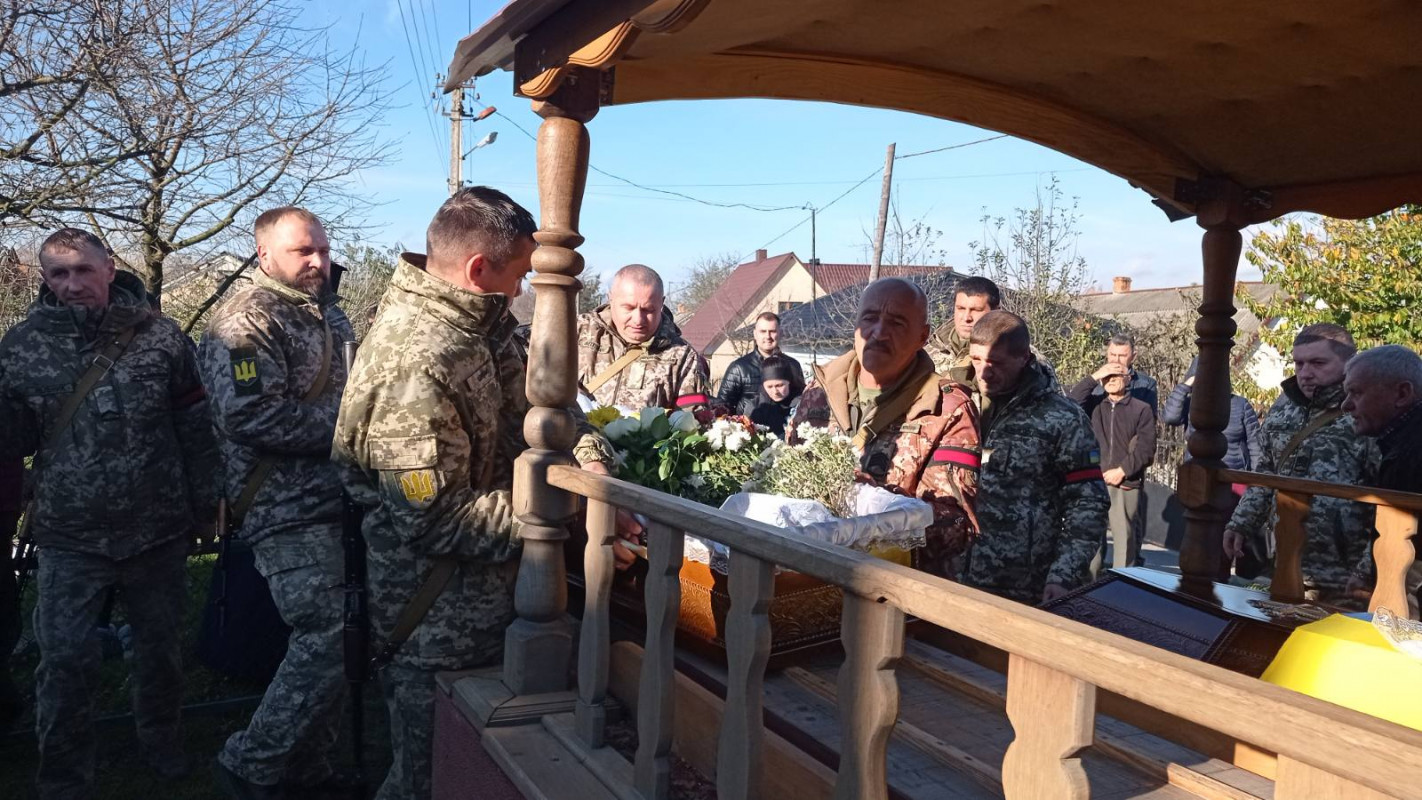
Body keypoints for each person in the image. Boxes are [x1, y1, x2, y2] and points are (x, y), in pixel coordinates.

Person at [333, 187, 617, 800]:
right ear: (478, 269)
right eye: (516, 278)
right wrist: (563, 508)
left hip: (485, 604)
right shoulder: (416, 360)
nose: (519, 294)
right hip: (435, 621)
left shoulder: (476, 326)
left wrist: (590, 463)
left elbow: (537, 407)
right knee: (430, 777)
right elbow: (434, 520)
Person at [0, 228, 221, 799]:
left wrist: (206, 505)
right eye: (58, 274)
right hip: (70, 534)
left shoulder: (163, 339)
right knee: (65, 660)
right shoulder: (21, 346)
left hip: (157, 525)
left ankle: (161, 743)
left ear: (108, 268)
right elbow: (11, 442)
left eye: (82, 270)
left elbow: (195, 428)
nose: (72, 284)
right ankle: (65, 774)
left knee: (159, 651)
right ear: (45, 279)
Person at [200, 207, 356, 798]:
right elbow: (249, 414)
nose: (318, 261)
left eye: (321, 247)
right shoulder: (245, 322)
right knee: (328, 632)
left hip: (335, 500)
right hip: (281, 505)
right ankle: (251, 762)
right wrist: (351, 432)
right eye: (301, 252)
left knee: (346, 633)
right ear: (264, 255)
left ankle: (307, 771)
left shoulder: (327, 313)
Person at [789, 278, 979, 578]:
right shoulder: (819, 393)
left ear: (922, 336)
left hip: (891, 592)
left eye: (897, 323)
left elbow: (957, 527)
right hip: (807, 578)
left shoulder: (947, 409)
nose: (878, 333)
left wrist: (875, 504)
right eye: (869, 319)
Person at [957, 310, 1109, 604]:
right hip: (951, 577)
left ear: (1024, 358)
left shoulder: (1062, 419)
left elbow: (1088, 503)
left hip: (1022, 588)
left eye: (996, 363)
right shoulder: (957, 406)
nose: (984, 372)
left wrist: (1063, 573)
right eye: (976, 360)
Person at [1223, 324, 1378, 606]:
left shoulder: (1368, 411)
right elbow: (1268, 471)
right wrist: (1241, 523)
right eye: (1299, 363)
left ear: (1349, 363)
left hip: (1344, 575)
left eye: (1318, 363)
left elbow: (1387, 496)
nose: (1305, 372)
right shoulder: (1284, 406)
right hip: (1284, 561)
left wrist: (1368, 568)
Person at [1163, 356, 1264, 575]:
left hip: (1233, 481)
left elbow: (1256, 444)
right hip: (1200, 480)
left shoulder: (1240, 404)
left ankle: (1221, 581)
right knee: (1198, 537)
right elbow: (1169, 417)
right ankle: (1194, 583)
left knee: (1223, 540)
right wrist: (1187, 385)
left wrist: (1257, 482)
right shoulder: (1191, 404)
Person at [1341, 345, 1422, 613]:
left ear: (1402, 393)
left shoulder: (1413, 449)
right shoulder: (1400, 443)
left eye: (1357, 392)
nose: (1346, 405)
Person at [577, 264, 709, 411]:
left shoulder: (682, 357)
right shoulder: (577, 332)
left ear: (661, 303)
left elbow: (692, 422)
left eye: (648, 310)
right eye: (628, 308)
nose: (638, 319)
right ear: (611, 299)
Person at [1067, 368, 1156, 573]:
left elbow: (1146, 448)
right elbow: (1071, 403)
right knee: (1092, 542)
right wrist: (1093, 377)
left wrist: (1122, 470)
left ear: (1128, 379)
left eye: (1116, 375)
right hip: (1094, 482)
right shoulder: (1094, 405)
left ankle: (1121, 591)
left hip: (1125, 483)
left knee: (1125, 542)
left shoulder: (1141, 409)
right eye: (1107, 375)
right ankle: (1088, 589)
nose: (1111, 379)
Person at [715, 311, 804, 415]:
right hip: (749, 428)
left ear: (780, 333)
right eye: (763, 331)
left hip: (786, 427)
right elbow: (722, 407)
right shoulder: (739, 368)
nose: (768, 336)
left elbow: (801, 400)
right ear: (755, 334)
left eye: (772, 331)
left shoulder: (793, 365)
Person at [925, 276, 1000, 373]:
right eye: (961, 308)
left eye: (976, 310)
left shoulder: (1006, 355)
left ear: (995, 312)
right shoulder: (931, 350)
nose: (966, 318)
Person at [1082, 334, 1158, 413]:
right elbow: (1074, 405)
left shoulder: (1146, 385)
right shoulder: (1094, 383)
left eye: (1122, 356)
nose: (1116, 360)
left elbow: (1148, 419)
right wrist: (1093, 378)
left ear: (1133, 356)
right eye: (1113, 355)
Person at [748, 355, 800, 438]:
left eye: (779, 385)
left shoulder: (803, 403)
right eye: (769, 387)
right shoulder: (755, 406)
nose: (775, 391)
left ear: (789, 382)